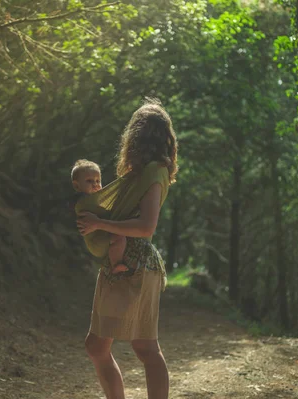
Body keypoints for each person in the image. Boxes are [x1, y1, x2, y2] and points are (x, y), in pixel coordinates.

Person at [76, 98, 177, 399]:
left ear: (137, 136)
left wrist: (99, 224)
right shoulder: (140, 174)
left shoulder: (155, 172)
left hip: (137, 265)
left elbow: (146, 227)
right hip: (119, 264)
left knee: (145, 347)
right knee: (97, 347)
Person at [70, 159, 130, 275]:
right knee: (119, 237)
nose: (95, 184)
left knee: (118, 236)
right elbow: (106, 212)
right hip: (96, 241)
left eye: (98, 181)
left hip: (99, 237)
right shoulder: (83, 202)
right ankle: (116, 264)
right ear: (77, 186)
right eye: (89, 181)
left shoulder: (95, 200)